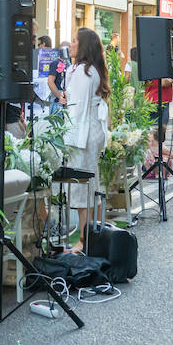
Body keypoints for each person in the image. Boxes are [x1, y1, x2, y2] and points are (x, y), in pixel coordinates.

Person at [63, 28, 110, 253]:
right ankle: (92, 237)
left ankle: (83, 240)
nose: (71, 44)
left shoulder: (83, 71)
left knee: (83, 188)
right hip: (91, 131)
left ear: (83, 46)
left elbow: (76, 109)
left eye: (74, 41)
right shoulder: (90, 70)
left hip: (82, 134)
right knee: (91, 184)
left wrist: (67, 137)